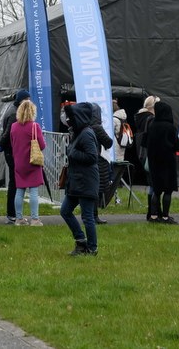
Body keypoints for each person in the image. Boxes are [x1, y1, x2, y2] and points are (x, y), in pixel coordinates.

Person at [60, 102, 100, 256]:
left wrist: (73, 153)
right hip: (76, 181)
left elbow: (92, 157)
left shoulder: (86, 134)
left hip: (86, 181)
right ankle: (81, 240)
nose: (68, 120)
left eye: (71, 117)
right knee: (65, 211)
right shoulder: (78, 133)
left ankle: (92, 248)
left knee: (87, 216)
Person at [10, 100, 47, 227]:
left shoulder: (14, 126)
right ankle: (35, 219)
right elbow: (42, 145)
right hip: (32, 162)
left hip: (19, 162)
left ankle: (19, 218)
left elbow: (12, 143)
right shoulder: (34, 126)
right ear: (32, 112)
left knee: (19, 190)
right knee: (33, 191)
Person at [0, 89, 30, 224]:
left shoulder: (11, 110)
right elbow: (8, 133)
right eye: (27, 99)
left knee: (15, 183)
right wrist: (0, 144)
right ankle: (13, 214)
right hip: (13, 152)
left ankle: (14, 214)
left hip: (10, 151)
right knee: (15, 184)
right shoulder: (14, 113)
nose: (29, 102)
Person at [145, 101, 179, 224]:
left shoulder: (152, 126)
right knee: (168, 190)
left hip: (154, 162)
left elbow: (145, 143)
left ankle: (154, 216)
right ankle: (165, 216)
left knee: (156, 190)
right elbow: (177, 146)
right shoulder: (170, 127)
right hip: (168, 162)